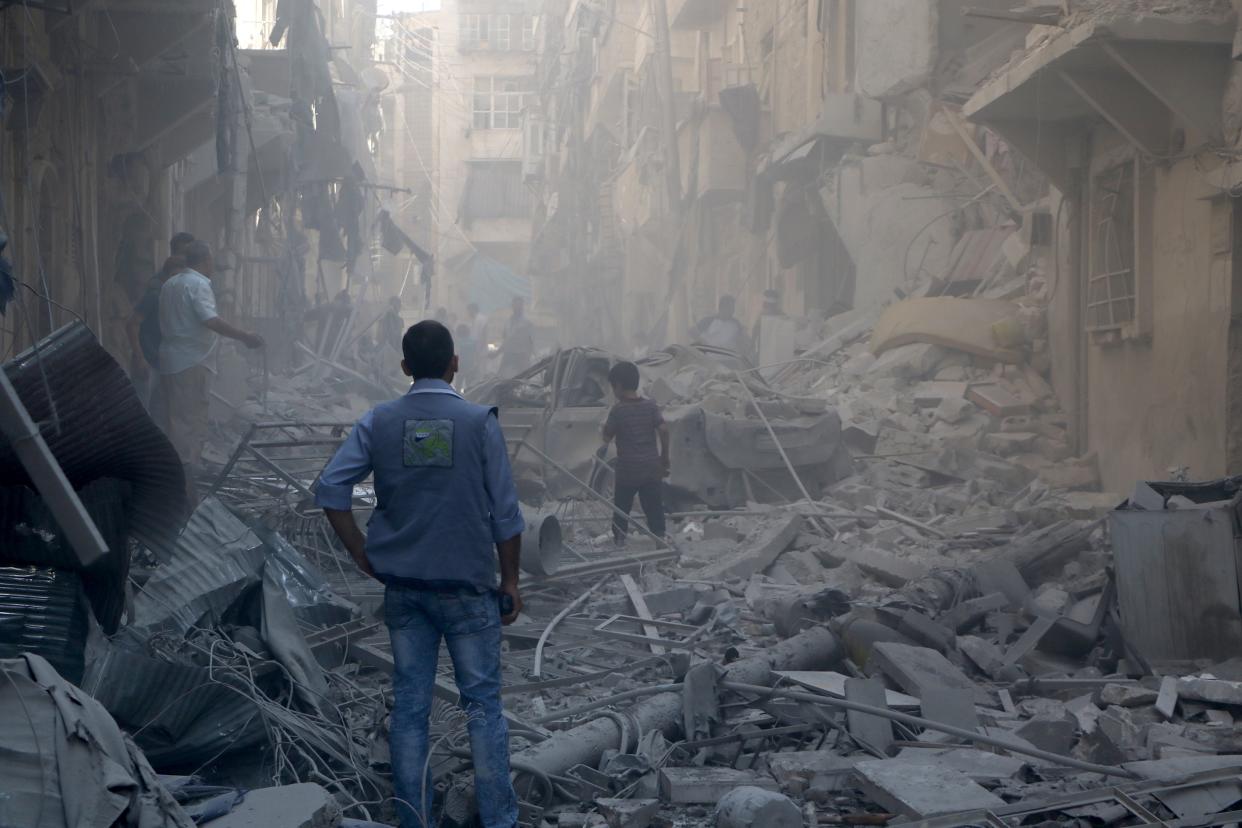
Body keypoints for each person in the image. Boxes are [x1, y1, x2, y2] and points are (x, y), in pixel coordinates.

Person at [315, 320, 524, 828]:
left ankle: (414, 818)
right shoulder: (479, 423)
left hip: (405, 591)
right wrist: (512, 581)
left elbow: (330, 490)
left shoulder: (379, 421)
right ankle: (499, 821)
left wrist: (360, 551)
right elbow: (507, 512)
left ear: (405, 368)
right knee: (482, 708)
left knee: (410, 708)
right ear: (456, 364)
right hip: (469, 591)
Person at [159, 241, 264, 472]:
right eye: (212, 261)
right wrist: (244, 336)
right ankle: (185, 475)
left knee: (178, 419)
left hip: (171, 360)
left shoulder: (170, 284)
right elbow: (210, 320)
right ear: (206, 261)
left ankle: (182, 470)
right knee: (189, 422)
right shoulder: (197, 284)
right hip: (191, 362)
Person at [600, 361, 670, 546]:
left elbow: (607, 437)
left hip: (628, 471)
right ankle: (660, 543)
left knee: (622, 508)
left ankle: (620, 542)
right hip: (650, 468)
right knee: (654, 508)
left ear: (619, 385)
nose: (613, 390)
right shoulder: (651, 406)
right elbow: (663, 430)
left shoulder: (618, 411)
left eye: (613, 386)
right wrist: (664, 458)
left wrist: (603, 428)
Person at [127, 231, 196, 412]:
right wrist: (140, 358)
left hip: (164, 363)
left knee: (160, 417)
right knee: (143, 416)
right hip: (148, 362)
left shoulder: (180, 292)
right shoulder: (156, 292)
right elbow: (132, 324)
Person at [499, 296, 535, 378]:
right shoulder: (507, 322)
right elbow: (505, 340)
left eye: (519, 305)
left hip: (521, 356)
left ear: (522, 307)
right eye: (515, 305)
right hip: (509, 354)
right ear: (512, 306)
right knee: (501, 377)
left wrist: (528, 356)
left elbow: (531, 342)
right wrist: (497, 353)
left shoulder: (527, 323)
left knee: (523, 379)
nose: (517, 308)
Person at [454, 322, 476, 391]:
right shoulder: (473, 342)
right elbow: (475, 353)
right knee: (469, 385)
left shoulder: (458, 341)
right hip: (470, 365)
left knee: (458, 385)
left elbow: (456, 352)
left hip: (460, 365)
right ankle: (469, 397)